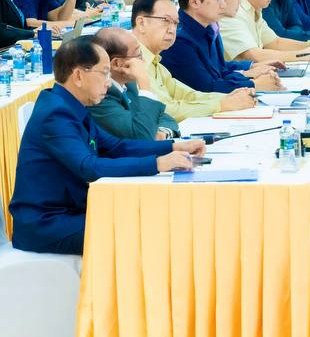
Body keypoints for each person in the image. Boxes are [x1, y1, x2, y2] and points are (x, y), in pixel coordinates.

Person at [9, 36, 201, 254]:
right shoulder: (56, 114)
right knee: (146, 230)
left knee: (154, 215)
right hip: (47, 224)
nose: (109, 83)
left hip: (71, 213)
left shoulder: (70, 104)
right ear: (79, 76)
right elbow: (89, 167)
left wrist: (174, 147)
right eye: (104, 73)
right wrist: (157, 164)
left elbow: (116, 147)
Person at [131, 0, 255, 120]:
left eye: (175, 23)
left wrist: (229, 97)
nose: (172, 29)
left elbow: (188, 95)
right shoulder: (131, 61)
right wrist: (221, 104)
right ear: (141, 23)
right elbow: (163, 111)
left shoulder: (155, 62)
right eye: (166, 20)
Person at [162, 0, 279, 92]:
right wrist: (253, 84)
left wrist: (252, 67)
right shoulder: (179, 40)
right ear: (195, 1)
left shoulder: (209, 28)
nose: (223, 5)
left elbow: (220, 69)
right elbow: (206, 88)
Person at [88, 28, 181, 140]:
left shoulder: (128, 85)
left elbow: (164, 118)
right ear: (117, 64)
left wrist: (163, 132)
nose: (143, 60)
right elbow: (141, 137)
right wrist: (144, 83)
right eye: (138, 55)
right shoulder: (100, 97)